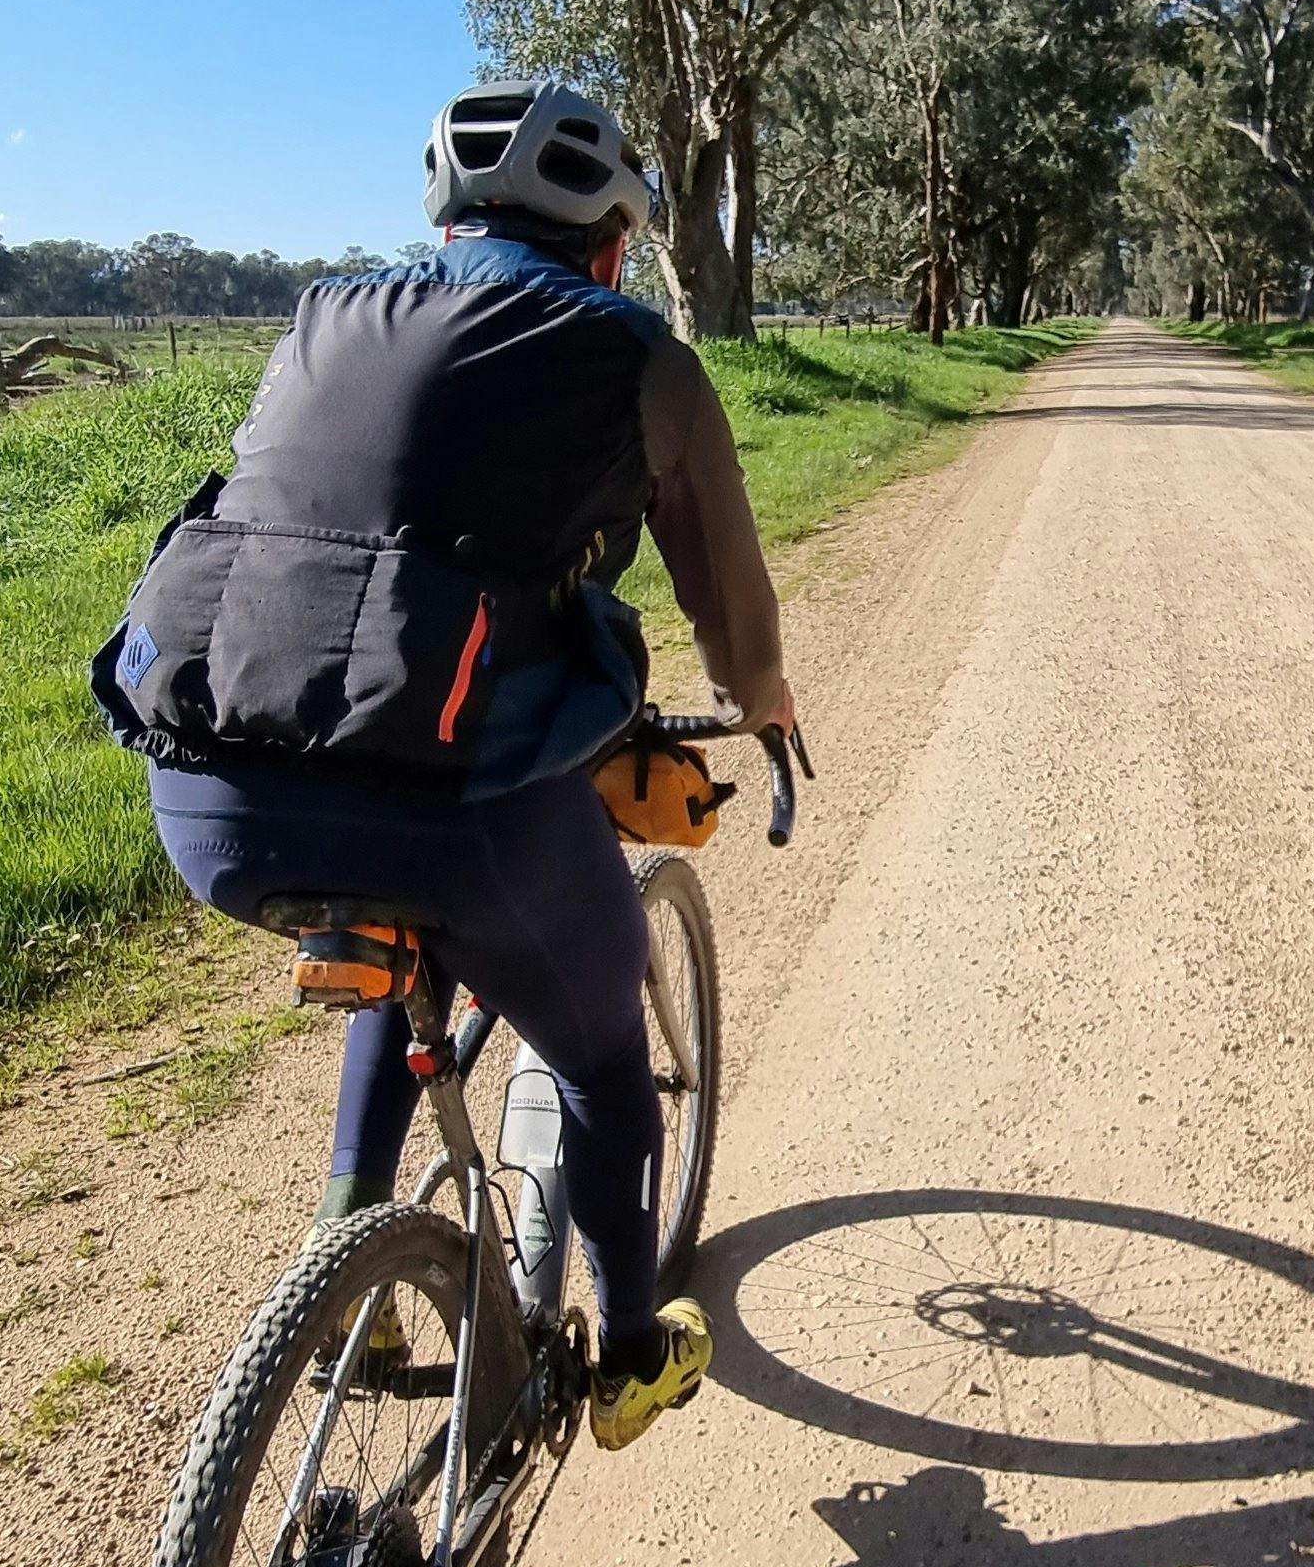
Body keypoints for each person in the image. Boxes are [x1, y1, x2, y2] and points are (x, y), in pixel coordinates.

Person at [93, 80, 794, 1449]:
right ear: (607, 241)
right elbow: (730, 603)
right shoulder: (637, 353)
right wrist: (761, 705)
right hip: (458, 807)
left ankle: (354, 1254)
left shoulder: (321, 315)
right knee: (596, 1062)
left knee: (407, 934)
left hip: (211, 786)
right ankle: (633, 1353)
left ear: (453, 217)